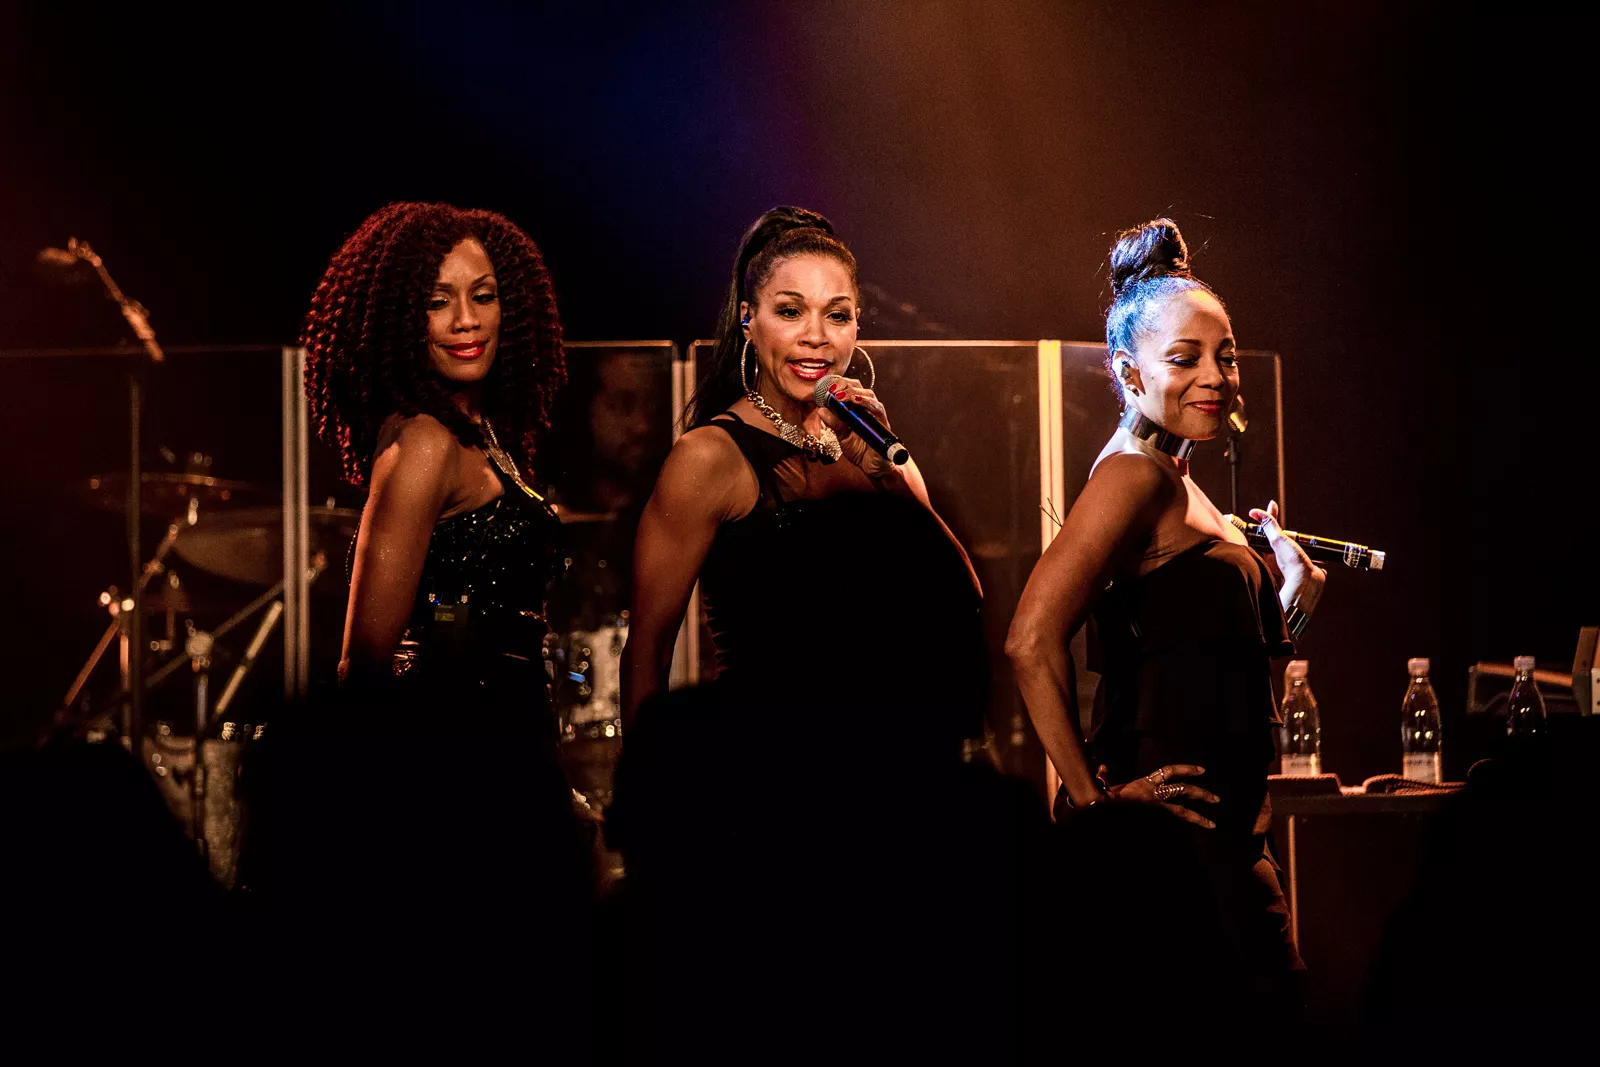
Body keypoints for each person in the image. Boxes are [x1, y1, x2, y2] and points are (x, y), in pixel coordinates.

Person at [247, 202, 589, 1036]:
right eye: (439, 301)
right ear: (405, 317)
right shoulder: (425, 443)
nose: (467, 320)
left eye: (483, 295)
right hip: (460, 788)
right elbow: (362, 665)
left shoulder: (483, 433)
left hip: (508, 757)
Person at [1004, 218, 1326, 1010]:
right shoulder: (1135, 476)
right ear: (1129, 371)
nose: (1216, 376)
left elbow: (1208, 664)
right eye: (1184, 358)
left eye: (1226, 355)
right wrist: (1098, 806)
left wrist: (1293, 598)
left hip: (1225, 847)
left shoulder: (1175, 479)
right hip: (1179, 865)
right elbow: (1029, 639)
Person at [619, 206, 979, 731]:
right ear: (748, 319)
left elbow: (963, 603)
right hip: (769, 761)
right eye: (790, 311)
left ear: (857, 325)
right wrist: (648, 779)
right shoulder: (711, 455)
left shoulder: (874, 447)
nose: (816, 336)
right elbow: (648, 649)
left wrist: (885, 474)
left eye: (837, 315)